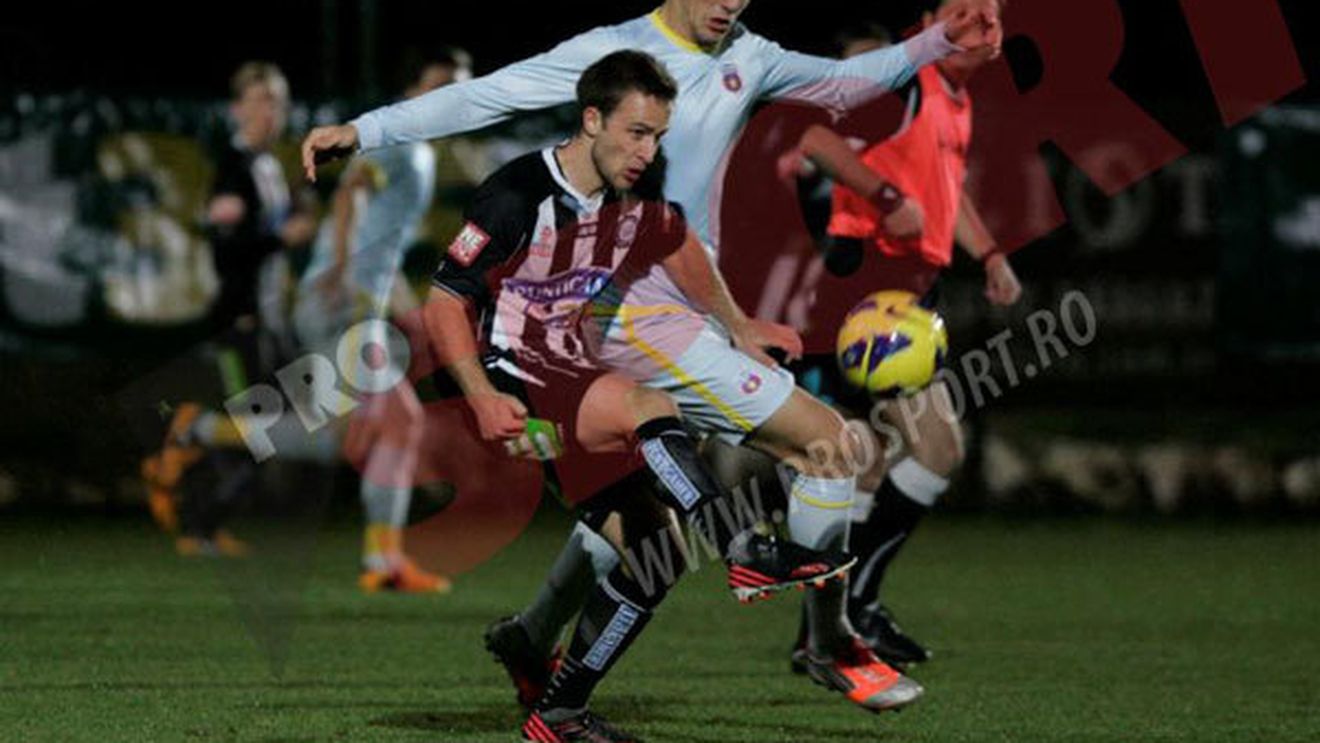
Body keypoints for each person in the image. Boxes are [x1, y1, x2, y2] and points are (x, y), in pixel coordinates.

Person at [303, 0, 1003, 714]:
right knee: (826, 444)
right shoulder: (614, 53)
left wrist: (941, 40)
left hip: (673, 304)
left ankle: (536, 635)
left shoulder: (748, 56)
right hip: (635, 315)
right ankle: (826, 637)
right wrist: (364, 131)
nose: (731, 2)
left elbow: (843, 84)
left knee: (641, 512)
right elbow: (487, 95)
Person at [425, 50, 853, 742]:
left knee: (656, 551)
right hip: (507, 379)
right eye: (636, 132)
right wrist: (478, 395)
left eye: (656, 134)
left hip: (558, 390)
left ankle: (559, 710)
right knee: (650, 407)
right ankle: (743, 545)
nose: (647, 149)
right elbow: (445, 302)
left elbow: (677, 240)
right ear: (591, 119)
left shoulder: (630, 194)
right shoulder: (516, 194)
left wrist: (738, 328)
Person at [779, 0, 1021, 665]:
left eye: (997, 15)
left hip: (906, 288)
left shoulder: (950, 96)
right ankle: (852, 609)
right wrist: (885, 200)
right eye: (971, 13)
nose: (989, 27)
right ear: (929, 24)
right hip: (868, 285)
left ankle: (830, 624)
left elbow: (945, 188)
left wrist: (990, 252)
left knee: (867, 460)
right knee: (936, 446)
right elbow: (816, 141)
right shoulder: (906, 82)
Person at [293, 49, 472, 593]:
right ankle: (383, 562)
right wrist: (346, 273)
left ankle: (205, 432)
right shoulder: (401, 141)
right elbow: (350, 191)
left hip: (354, 303)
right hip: (342, 303)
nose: (454, 100)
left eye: (461, 89)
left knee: (348, 431)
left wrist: (397, 305)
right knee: (396, 424)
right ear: (414, 89)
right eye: (443, 85)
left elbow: (382, 243)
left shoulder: (413, 148)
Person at [142, 61, 316, 556]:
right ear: (238, 108)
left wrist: (294, 221)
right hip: (242, 319)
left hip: (270, 318)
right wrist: (281, 235)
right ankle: (196, 508)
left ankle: (192, 472)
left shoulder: (266, 167)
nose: (271, 111)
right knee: (257, 428)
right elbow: (228, 252)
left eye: (278, 100)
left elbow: (263, 240)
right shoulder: (233, 168)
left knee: (277, 426)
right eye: (260, 100)